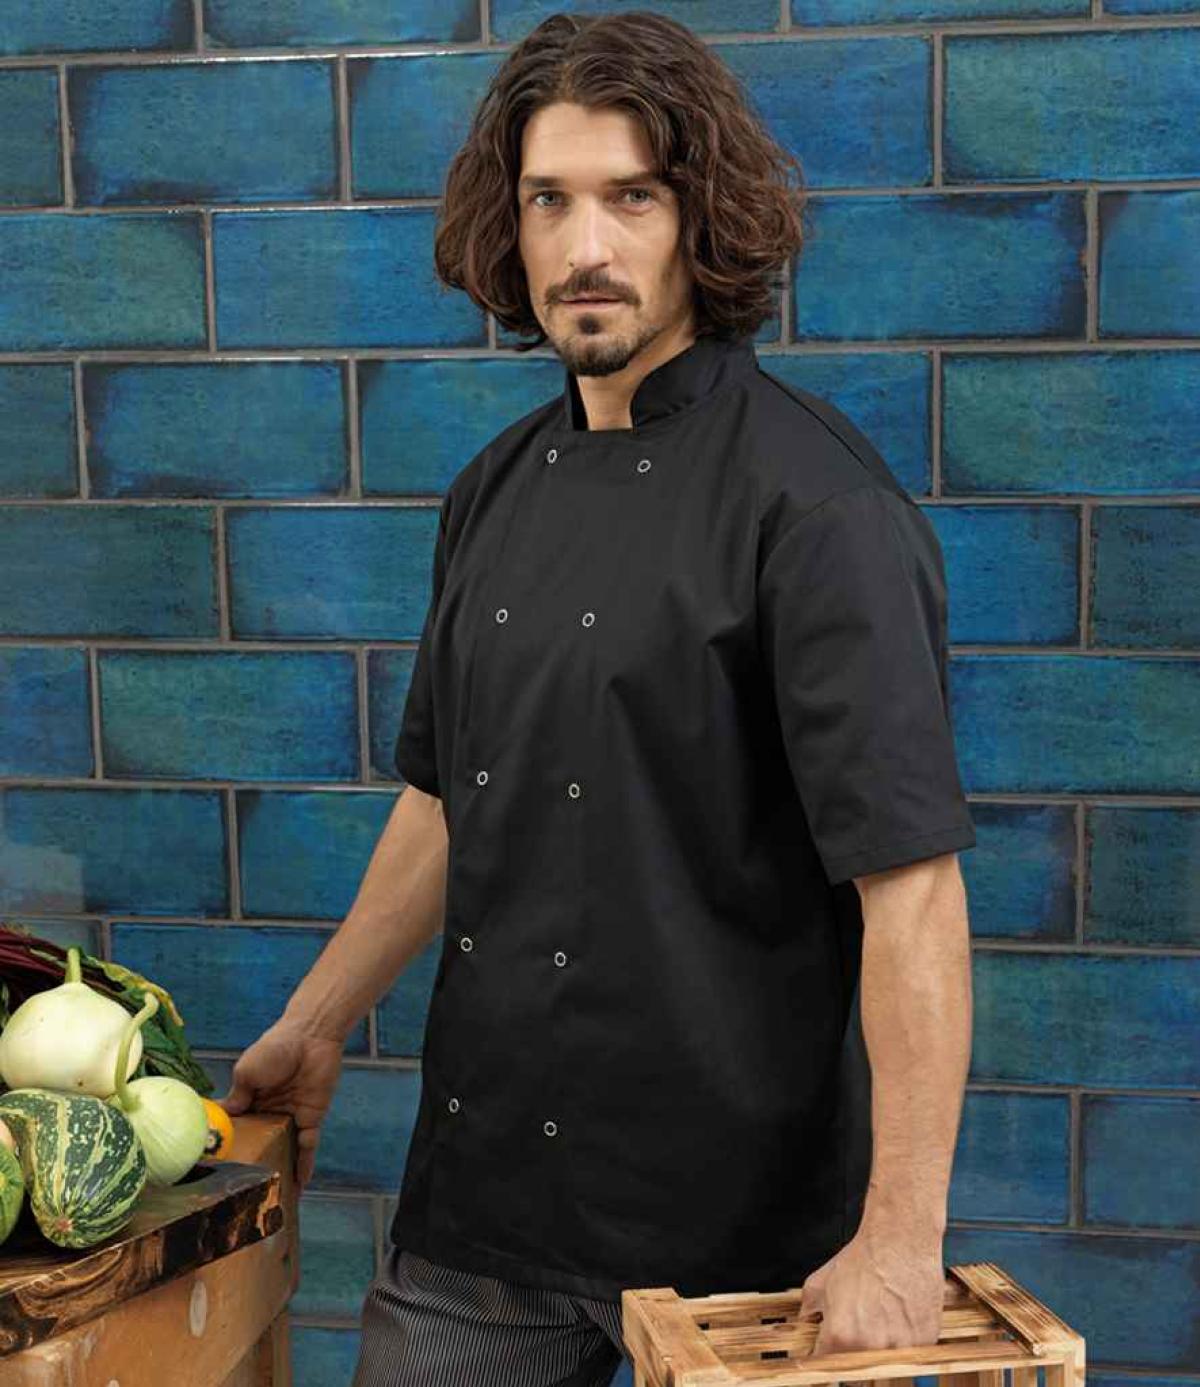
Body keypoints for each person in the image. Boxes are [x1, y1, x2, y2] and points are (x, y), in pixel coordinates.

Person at [220, 11, 977, 1386]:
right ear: (506, 227)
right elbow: (448, 799)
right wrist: (318, 1023)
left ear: (701, 218)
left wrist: (901, 1234)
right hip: (486, 1218)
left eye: (632, 198)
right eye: (549, 201)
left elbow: (912, 891)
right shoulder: (491, 492)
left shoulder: (819, 506)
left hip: (745, 1244)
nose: (587, 248)